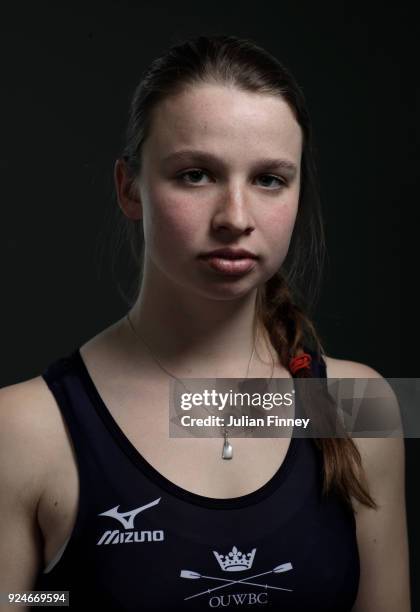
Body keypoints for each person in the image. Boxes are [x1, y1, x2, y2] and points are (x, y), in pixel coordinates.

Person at [0, 34, 410, 611]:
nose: (235, 218)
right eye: (196, 174)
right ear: (129, 188)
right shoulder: (21, 430)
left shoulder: (360, 405)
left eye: (269, 179)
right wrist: (54, 601)